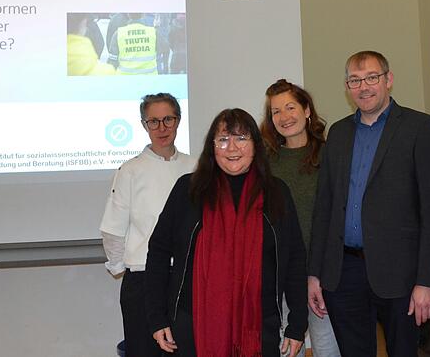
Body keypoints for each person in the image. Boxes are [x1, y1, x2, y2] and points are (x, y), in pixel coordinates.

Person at [308, 51, 430, 357]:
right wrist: (315, 274)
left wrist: (427, 281)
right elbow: (325, 208)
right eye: (355, 80)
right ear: (347, 86)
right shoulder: (339, 133)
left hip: (402, 275)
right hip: (344, 273)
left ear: (388, 80)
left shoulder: (418, 128)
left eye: (372, 78)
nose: (364, 87)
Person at [145, 108, 308, 356]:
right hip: (193, 325)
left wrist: (297, 324)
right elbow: (157, 253)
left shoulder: (277, 192)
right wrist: (157, 317)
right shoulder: (187, 191)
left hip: (260, 326)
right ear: (212, 147)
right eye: (223, 139)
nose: (232, 148)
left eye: (241, 138)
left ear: (255, 144)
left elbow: (295, 259)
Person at [100, 93, 197, 357]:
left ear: (178, 121)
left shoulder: (196, 168)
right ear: (144, 125)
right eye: (153, 121)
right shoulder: (130, 170)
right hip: (143, 280)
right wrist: (124, 268)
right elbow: (113, 230)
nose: (162, 128)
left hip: (186, 280)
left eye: (168, 119)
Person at [260, 79, 340, 357]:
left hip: (322, 274)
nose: (284, 117)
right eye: (276, 112)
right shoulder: (264, 163)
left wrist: (319, 272)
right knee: (283, 350)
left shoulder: (331, 155)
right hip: (279, 275)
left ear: (307, 110)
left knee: (328, 349)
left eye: (291, 107)